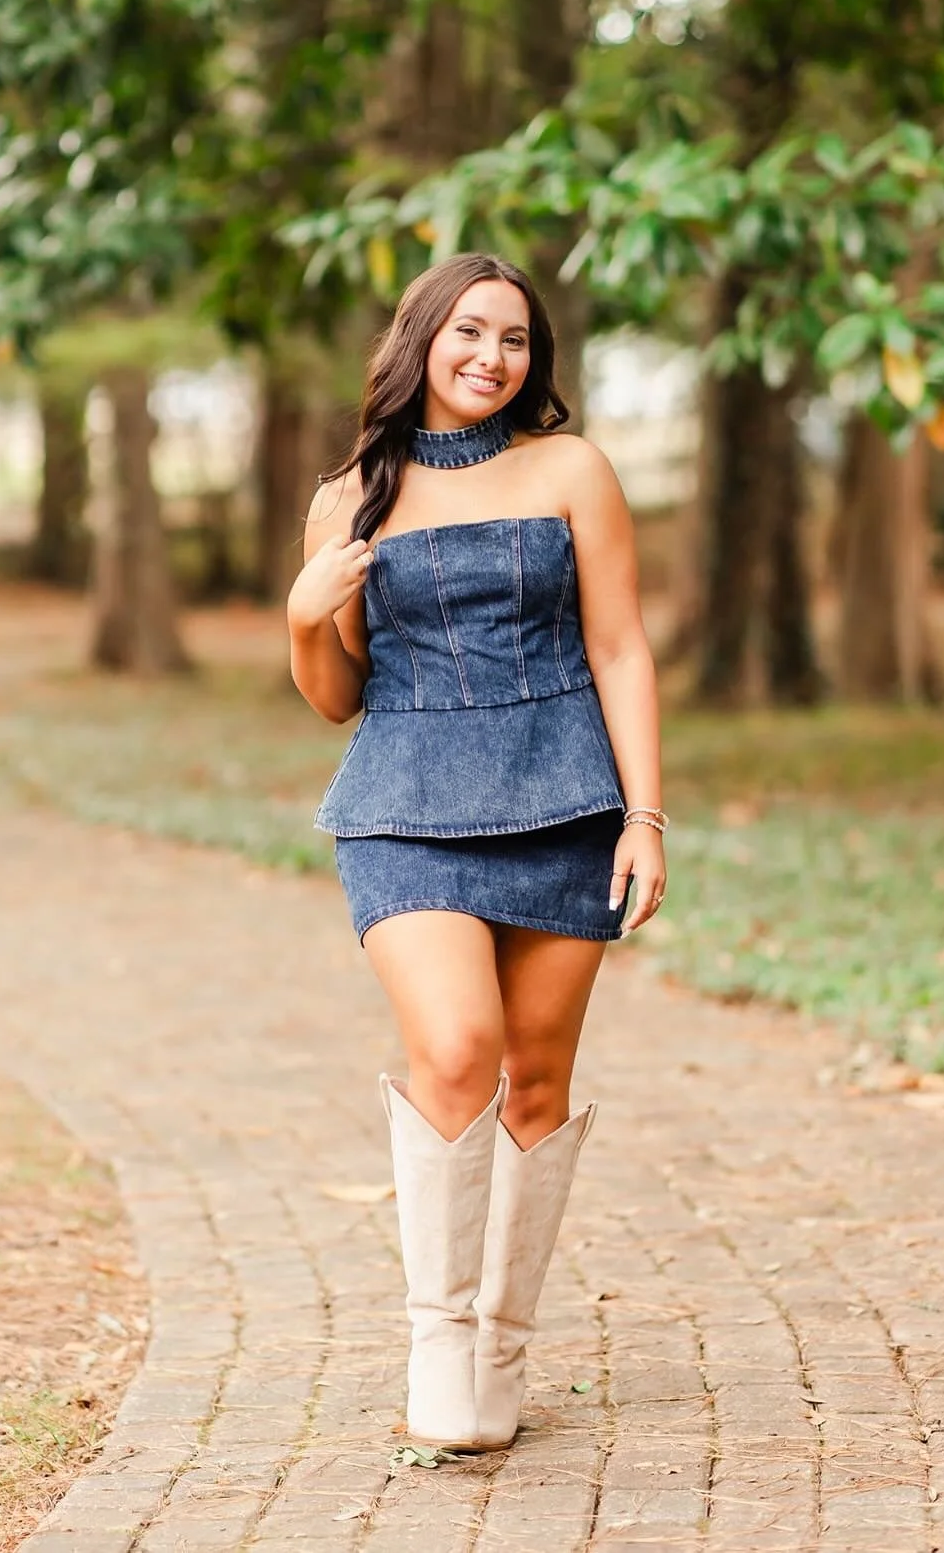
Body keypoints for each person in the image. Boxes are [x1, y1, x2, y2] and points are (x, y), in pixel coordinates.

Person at [286, 252, 666, 1452]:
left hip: (562, 803)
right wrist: (305, 616)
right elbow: (335, 695)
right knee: (457, 1049)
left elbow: (618, 648)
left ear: (532, 360)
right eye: (466, 333)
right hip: (402, 803)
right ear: (420, 341)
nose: (488, 358)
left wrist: (643, 816)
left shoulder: (570, 470)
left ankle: (502, 1344)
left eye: (512, 339)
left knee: (538, 1081)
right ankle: (439, 1339)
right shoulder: (349, 494)